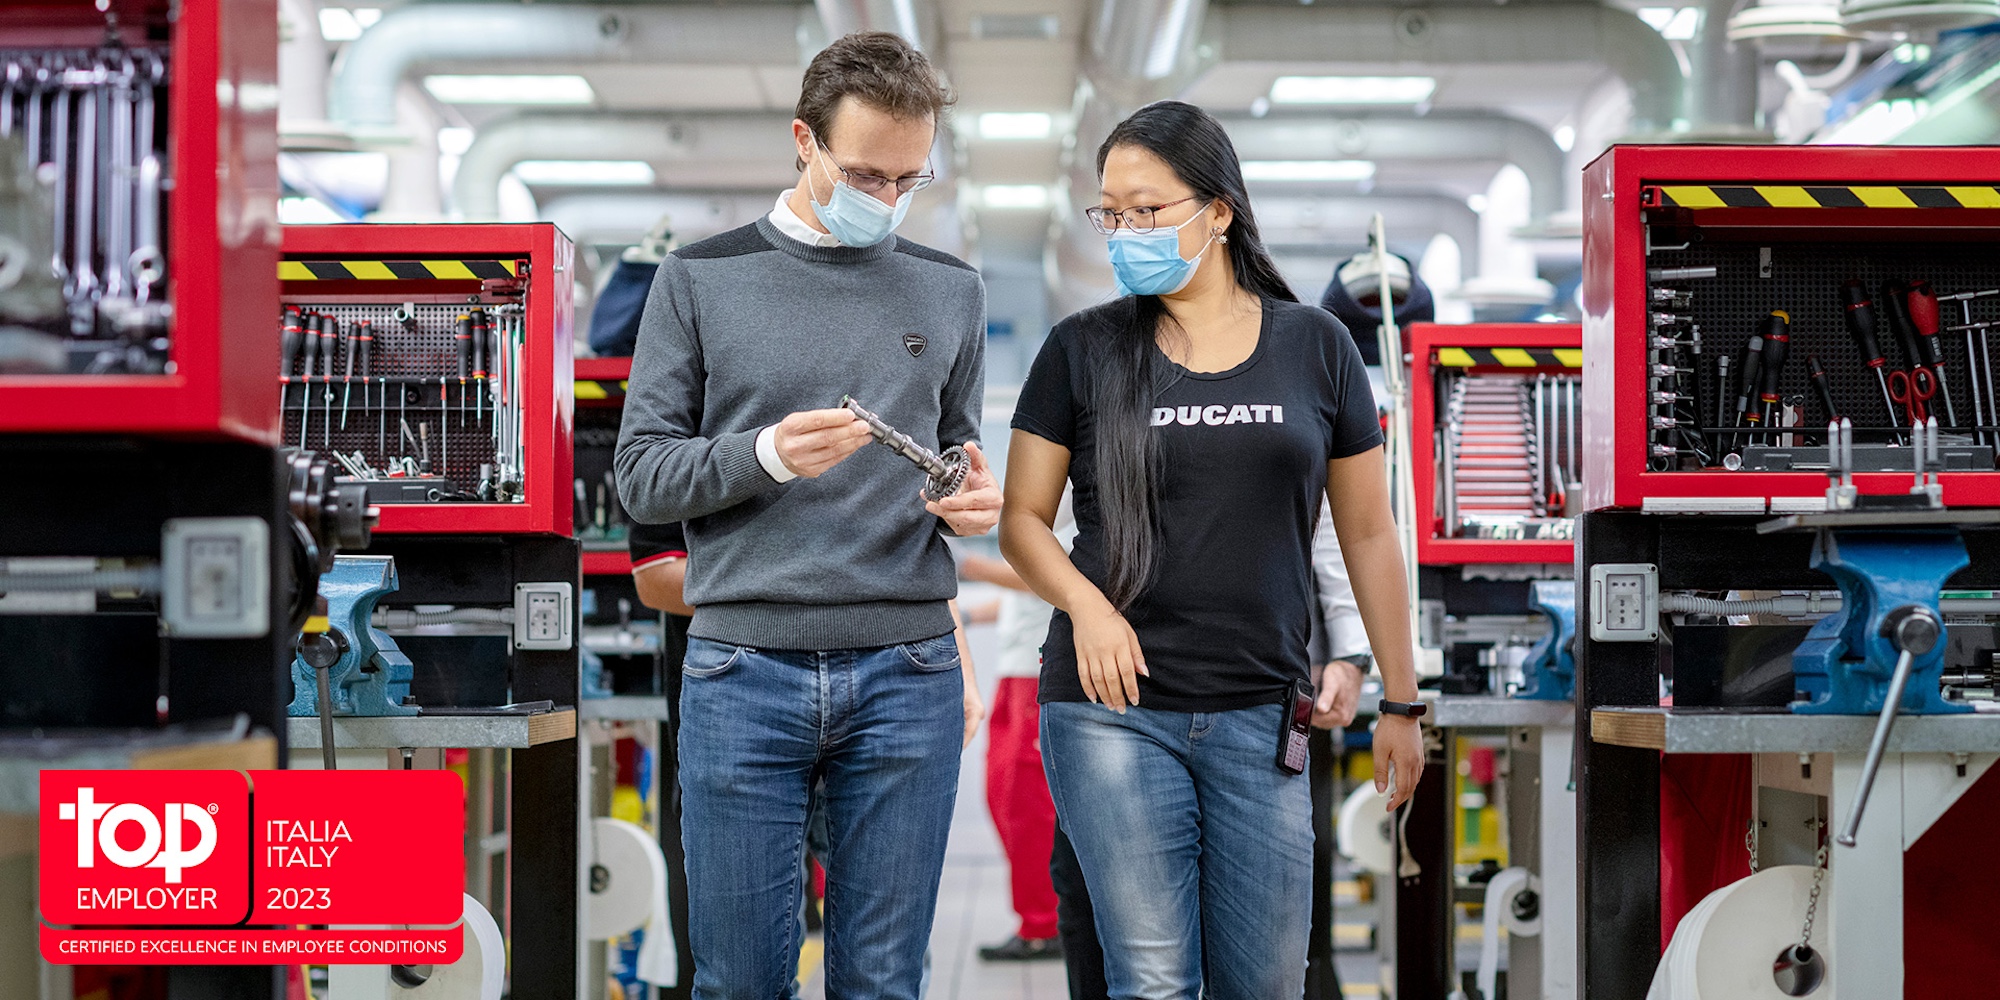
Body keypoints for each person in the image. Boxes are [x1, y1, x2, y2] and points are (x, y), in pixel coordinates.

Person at [998, 100, 1425, 1000]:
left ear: (1218, 210)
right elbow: (1022, 520)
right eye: (1110, 212)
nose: (1125, 231)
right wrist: (1087, 605)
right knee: (1155, 983)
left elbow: (1368, 532)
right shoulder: (1083, 349)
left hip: (1262, 716)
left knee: (1264, 984)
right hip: (1112, 713)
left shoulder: (1318, 346)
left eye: (1147, 210)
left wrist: (1402, 697)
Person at [614, 31, 1000, 1000]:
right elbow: (641, 478)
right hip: (742, 669)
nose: (885, 197)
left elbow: (959, 458)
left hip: (905, 670)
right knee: (741, 979)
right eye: (864, 172)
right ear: (804, 140)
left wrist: (971, 503)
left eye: (906, 180)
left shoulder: (950, 290)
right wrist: (765, 455)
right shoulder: (698, 281)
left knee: (880, 981)